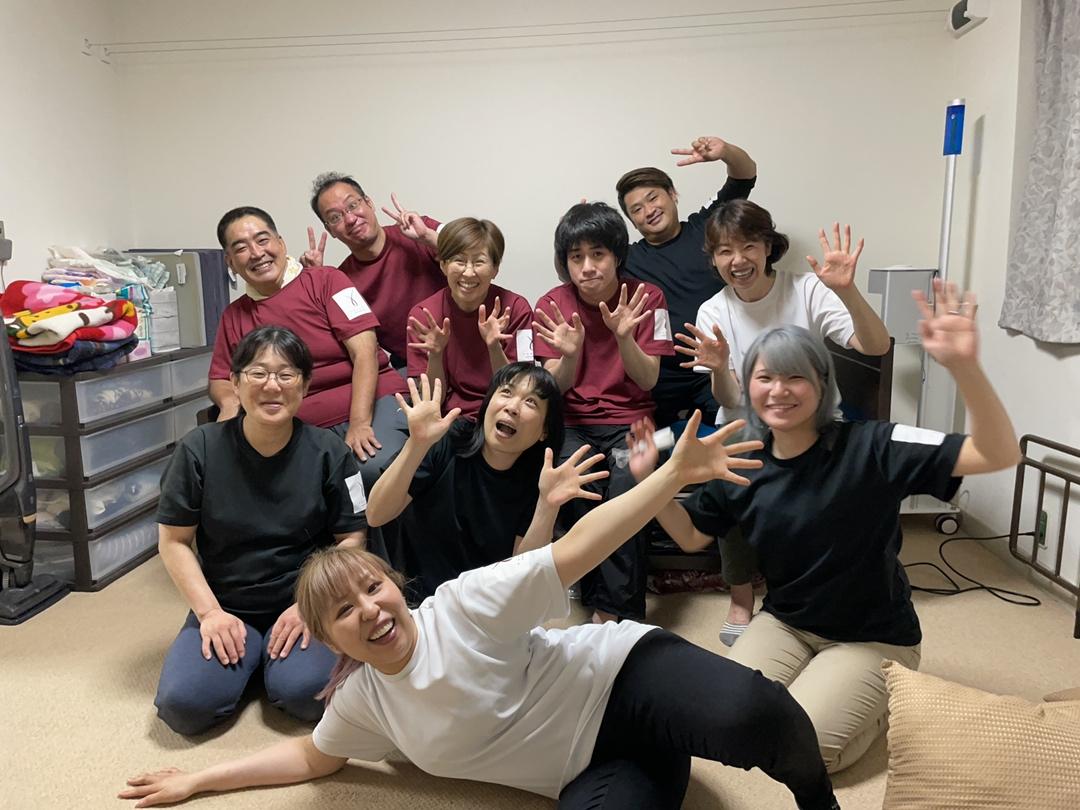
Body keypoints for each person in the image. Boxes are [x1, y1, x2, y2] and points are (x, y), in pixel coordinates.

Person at [120, 413, 840, 810]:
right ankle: (672, 744)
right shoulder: (364, 700)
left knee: (758, 714)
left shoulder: (462, 605)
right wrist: (199, 779)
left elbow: (579, 546)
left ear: (395, 584)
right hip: (592, 769)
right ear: (327, 638)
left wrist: (670, 478)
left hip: (622, 678)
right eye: (343, 612)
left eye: (372, 588)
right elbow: (311, 755)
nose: (368, 610)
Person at [628, 281, 1020, 773]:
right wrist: (652, 478)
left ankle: (889, 696)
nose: (779, 390)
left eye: (796, 377)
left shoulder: (874, 445)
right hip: (786, 622)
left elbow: (998, 453)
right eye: (765, 377)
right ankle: (828, 683)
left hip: (872, 635)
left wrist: (964, 367)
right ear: (748, 386)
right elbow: (690, 537)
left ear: (822, 383)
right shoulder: (745, 459)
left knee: (809, 755)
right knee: (721, 719)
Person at [674, 200, 891, 645]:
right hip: (745, 427)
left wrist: (848, 291)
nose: (738, 261)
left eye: (748, 246)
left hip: (812, 424)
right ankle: (741, 598)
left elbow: (875, 346)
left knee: (827, 490)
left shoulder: (808, 290)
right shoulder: (713, 311)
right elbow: (730, 399)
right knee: (730, 479)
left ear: (768, 247)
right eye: (725, 251)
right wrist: (718, 367)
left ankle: (811, 592)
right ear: (713, 259)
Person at [153, 326, 370, 735]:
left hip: (304, 604)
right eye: (258, 373)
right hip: (225, 603)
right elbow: (174, 541)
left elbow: (352, 539)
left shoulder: (330, 451)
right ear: (235, 383)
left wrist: (311, 605)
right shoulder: (199, 448)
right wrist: (209, 613)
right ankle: (252, 657)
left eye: (286, 375)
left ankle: (264, 662)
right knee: (184, 707)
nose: (272, 386)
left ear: (305, 386)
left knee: (308, 695)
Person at [532, 201, 674, 624]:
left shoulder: (649, 297)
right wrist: (570, 354)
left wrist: (624, 337)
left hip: (635, 421)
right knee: (579, 483)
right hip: (572, 422)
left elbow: (648, 379)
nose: (588, 267)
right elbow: (553, 389)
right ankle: (607, 602)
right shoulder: (552, 304)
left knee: (628, 487)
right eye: (576, 257)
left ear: (617, 256)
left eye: (598, 254)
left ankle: (612, 611)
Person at [209, 206, 408, 493]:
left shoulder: (328, 280)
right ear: (230, 262)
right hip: (298, 429)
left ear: (280, 243)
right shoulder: (234, 315)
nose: (256, 253)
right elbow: (220, 378)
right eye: (241, 248)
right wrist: (230, 404)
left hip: (374, 406)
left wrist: (360, 423)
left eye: (263, 240)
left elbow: (364, 352)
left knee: (367, 470)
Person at [366, 365, 607, 601]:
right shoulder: (448, 439)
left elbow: (522, 577)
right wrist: (416, 445)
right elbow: (376, 515)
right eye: (506, 392)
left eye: (531, 402)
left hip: (485, 605)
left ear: (545, 430)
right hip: (421, 603)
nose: (512, 407)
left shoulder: (541, 481)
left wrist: (548, 506)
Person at [617, 135, 757, 426]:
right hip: (661, 375)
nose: (649, 211)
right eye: (637, 209)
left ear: (672, 194)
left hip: (717, 366)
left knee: (737, 430)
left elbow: (745, 175)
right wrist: (584, 226)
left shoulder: (706, 226)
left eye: (653, 198)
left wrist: (726, 152)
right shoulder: (628, 259)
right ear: (632, 221)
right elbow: (576, 272)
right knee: (646, 441)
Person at [303, 172, 445, 368]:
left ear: (369, 203)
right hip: (414, 366)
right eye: (335, 217)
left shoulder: (419, 229)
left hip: (467, 346)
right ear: (330, 230)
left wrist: (428, 237)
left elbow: (477, 252)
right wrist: (317, 286)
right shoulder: (341, 282)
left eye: (353, 205)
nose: (350, 219)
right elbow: (339, 342)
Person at [406, 217, 534, 418]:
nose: (468, 272)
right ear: (443, 265)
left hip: (504, 416)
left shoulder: (517, 309)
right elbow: (429, 403)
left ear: (495, 269)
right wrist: (436, 355)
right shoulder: (423, 316)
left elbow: (522, 391)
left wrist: (494, 347)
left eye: (479, 262)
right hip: (451, 417)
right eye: (459, 261)